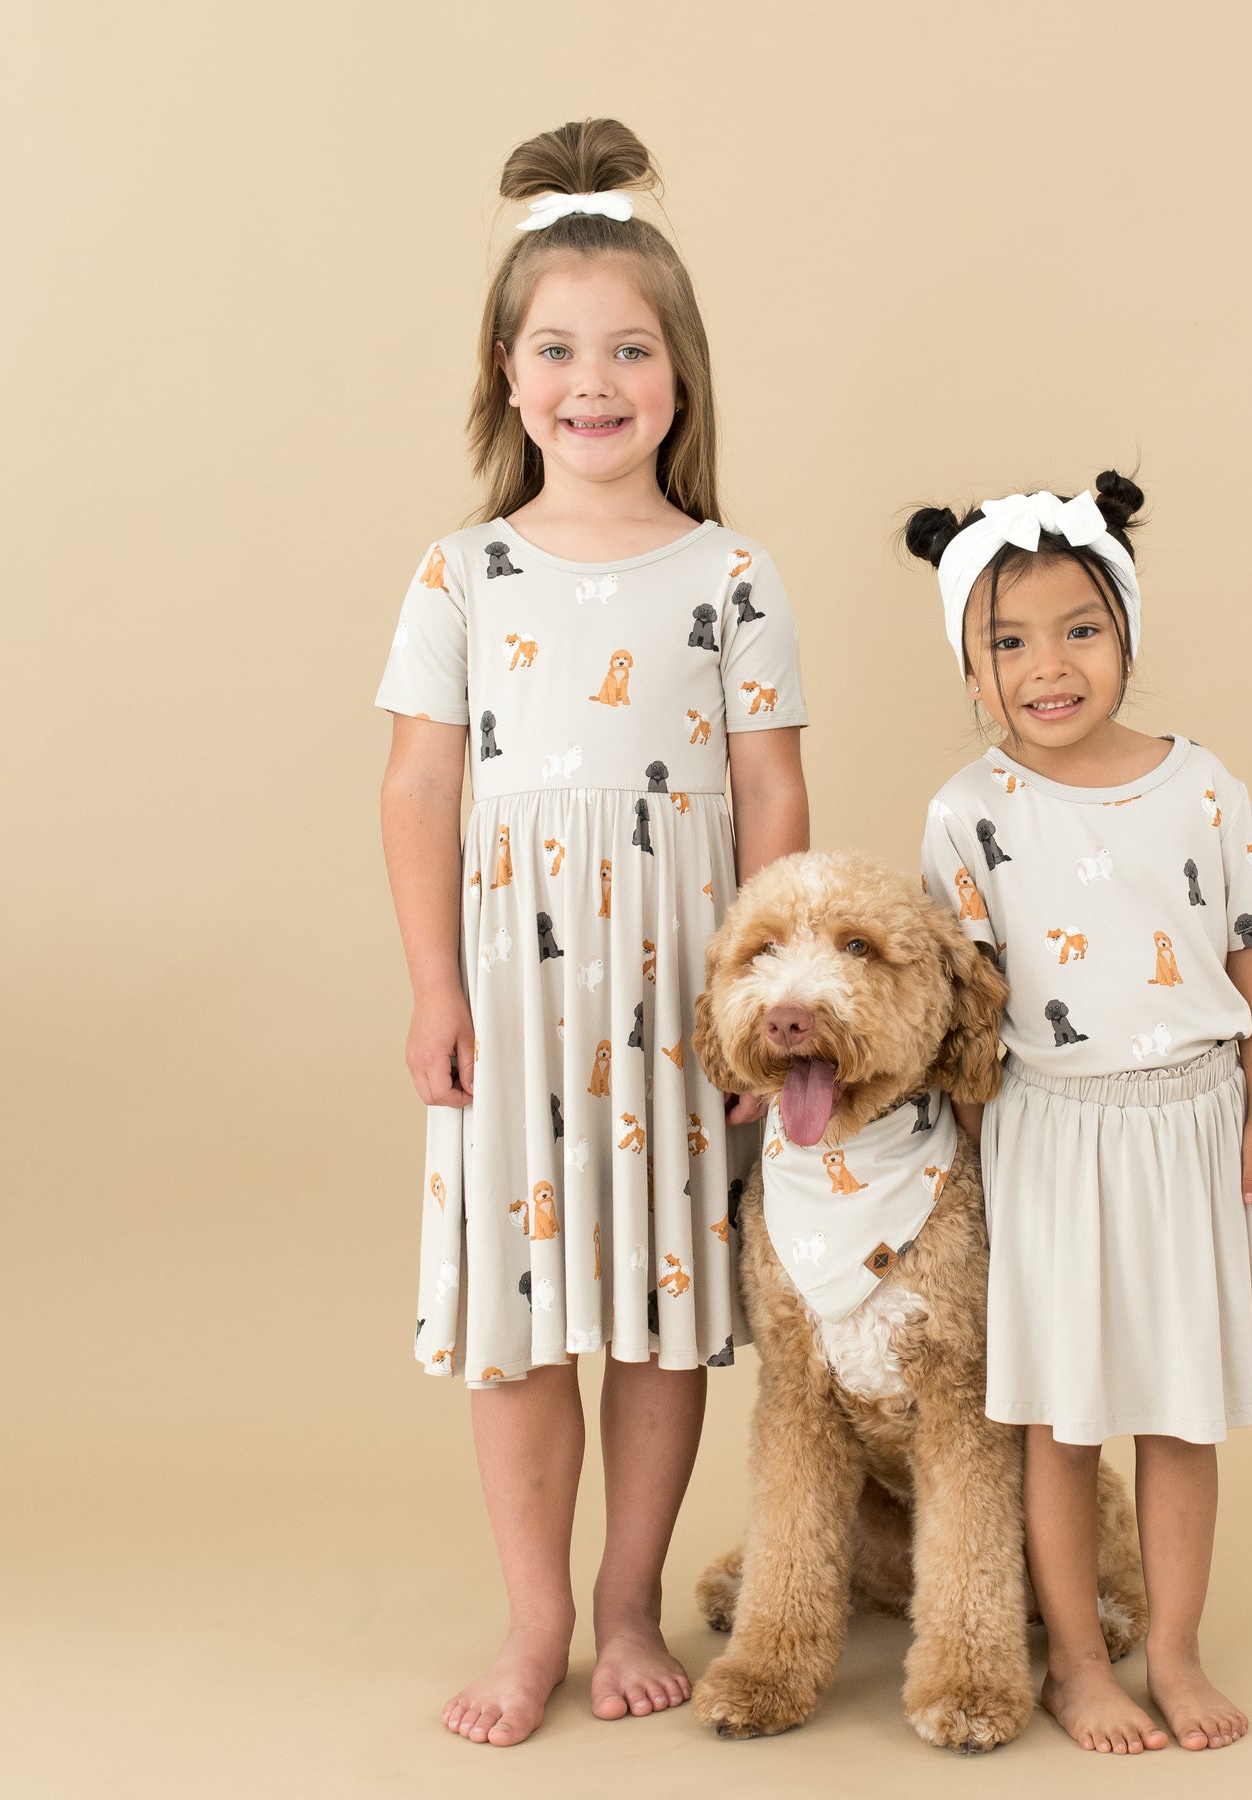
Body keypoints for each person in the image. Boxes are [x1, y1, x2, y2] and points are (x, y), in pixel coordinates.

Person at [376, 117, 809, 1747]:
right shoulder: (464, 572)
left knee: (660, 1296)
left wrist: (765, 1004)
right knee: (517, 1310)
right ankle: (536, 1616)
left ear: (680, 378)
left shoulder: (734, 575)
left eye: (630, 348)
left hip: (671, 1000)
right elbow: (418, 787)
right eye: (557, 347)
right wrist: (435, 984)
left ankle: (628, 1598)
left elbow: (774, 801)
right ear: (506, 373)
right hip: (512, 994)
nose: (594, 379)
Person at [912, 474, 1252, 1754]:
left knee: (1180, 1409)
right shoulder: (968, 813)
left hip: (1193, 1130)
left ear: (1127, 633)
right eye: (1010, 641)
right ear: (974, 673)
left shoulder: (1199, 787)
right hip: (1053, 1136)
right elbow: (964, 1007)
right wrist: (978, 1168)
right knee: (1062, 1414)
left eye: (1080, 628)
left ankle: (1178, 1652)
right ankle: (1080, 1665)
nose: (1050, 665)